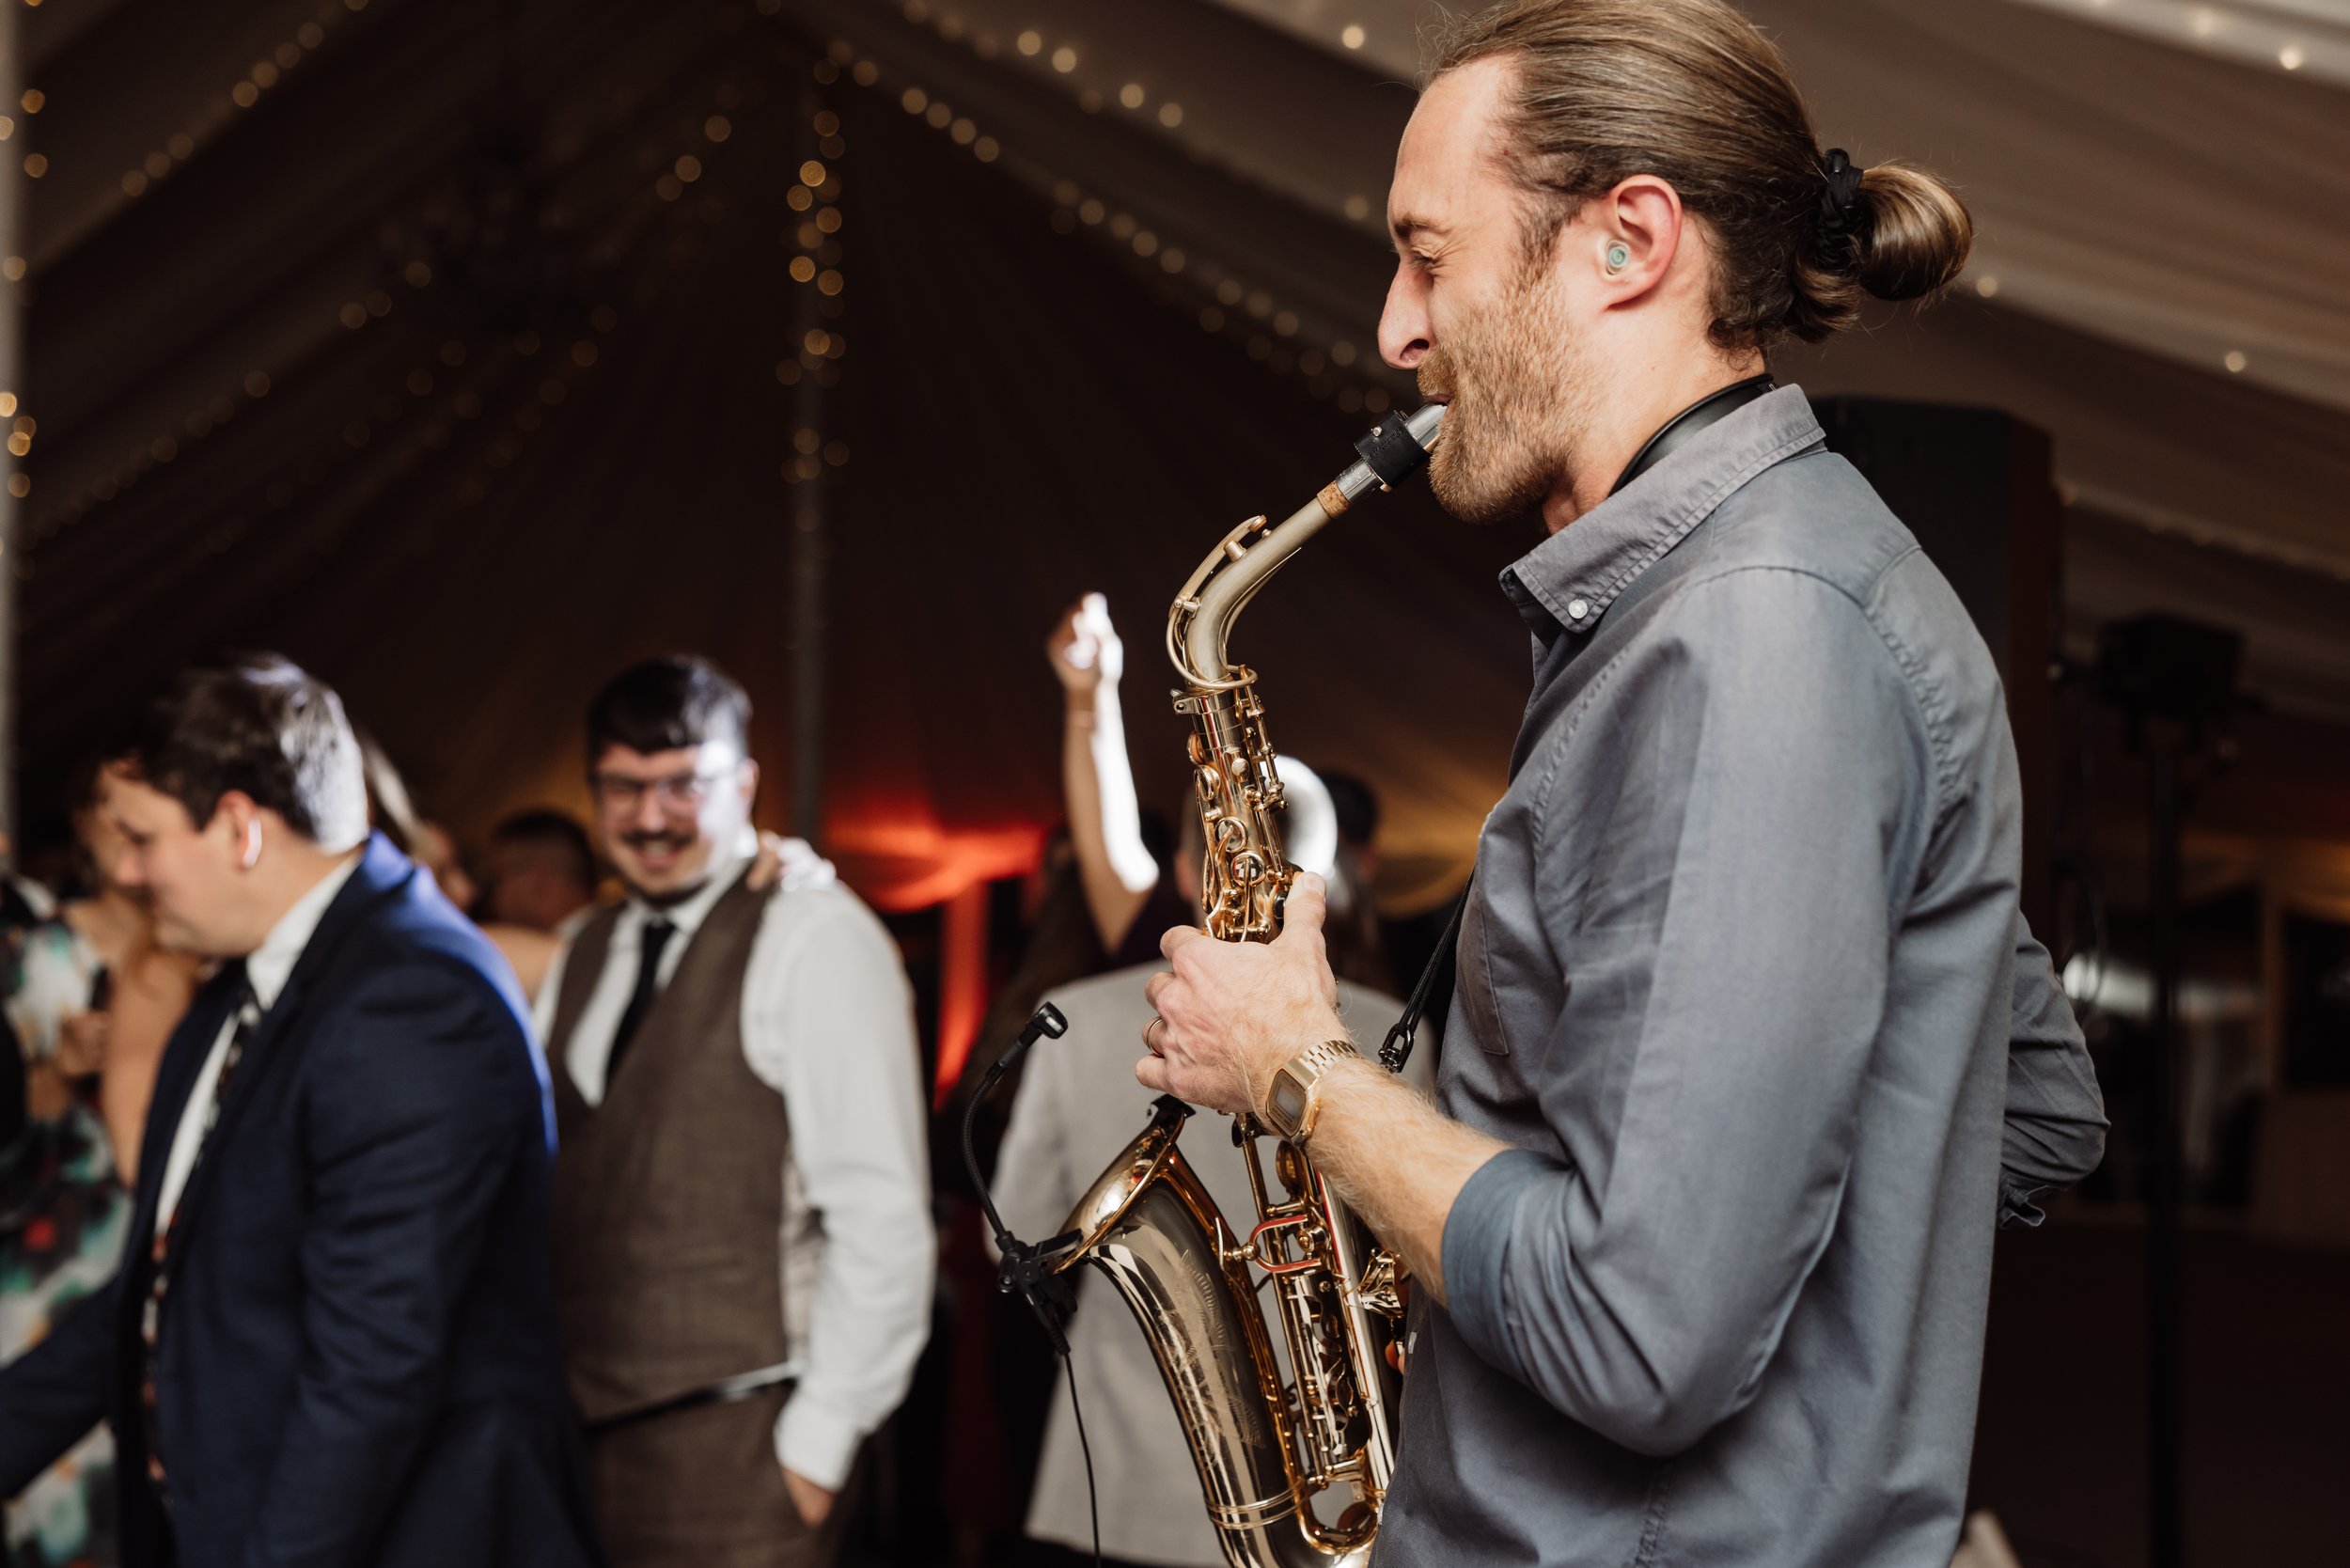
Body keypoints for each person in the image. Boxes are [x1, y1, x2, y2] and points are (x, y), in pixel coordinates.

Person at [1132, 6, 2109, 1565]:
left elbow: (1644, 1337)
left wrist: (1304, 1071)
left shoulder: (1751, 637)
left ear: (1627, 241)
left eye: (1429, 256)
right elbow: (2035, 1109)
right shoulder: (1765, 592)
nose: (1396, 326)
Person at [0, 654, 596, 1568]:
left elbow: (370, 1372)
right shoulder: (237, 984)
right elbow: (164, 1283)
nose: (124, 872)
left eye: (143, 838)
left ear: (240, 827)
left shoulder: (411, 998)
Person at [537, 655, 931, 1568]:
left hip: (744, 1452)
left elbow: (880, 1215)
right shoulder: (581, 948)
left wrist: (818, 1446)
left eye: (682, 785)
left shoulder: (815, 934)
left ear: (744, 783)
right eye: (624, 788)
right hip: (576, 1449)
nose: (649, 817)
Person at [991, 761, 1421, 1568]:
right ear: (1319, 880)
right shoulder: (1400, 1035)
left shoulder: (1074, 1021)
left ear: (1187, 869)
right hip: (1335, 1507)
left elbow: (1011, 1239)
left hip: (1119, 1502)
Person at [483, 809, 600, 933]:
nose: (493, 901)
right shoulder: (610, 933)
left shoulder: (581, 945)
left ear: (538, 881)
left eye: (497, 881)